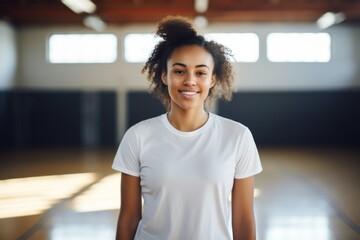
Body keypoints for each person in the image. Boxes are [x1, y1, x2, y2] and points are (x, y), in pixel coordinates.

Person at [112, 15, 263, 240]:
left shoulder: (238, 136)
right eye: (179, 71)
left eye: (200, 72)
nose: (190, 80)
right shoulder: (138, 136)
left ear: (212, 80)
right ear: (165, 76)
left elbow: (243, 220)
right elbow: (128, 218)